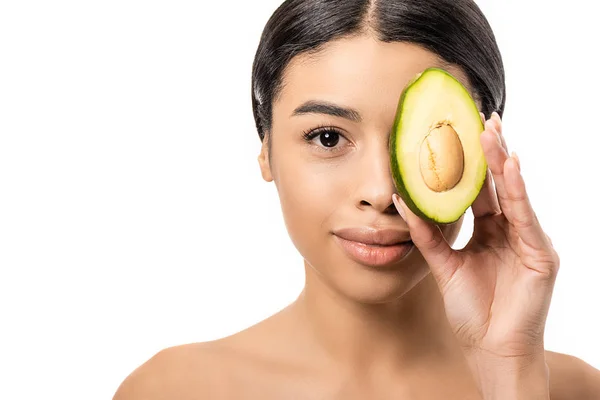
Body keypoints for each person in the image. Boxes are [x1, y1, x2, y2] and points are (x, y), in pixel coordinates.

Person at [113, 0, 600, 398]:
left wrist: (510, 372)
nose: (379, 192)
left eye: (432, 139)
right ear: (266, 149)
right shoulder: (171, 390)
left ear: (484, 150)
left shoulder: (575, 390)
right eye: (327, 138)